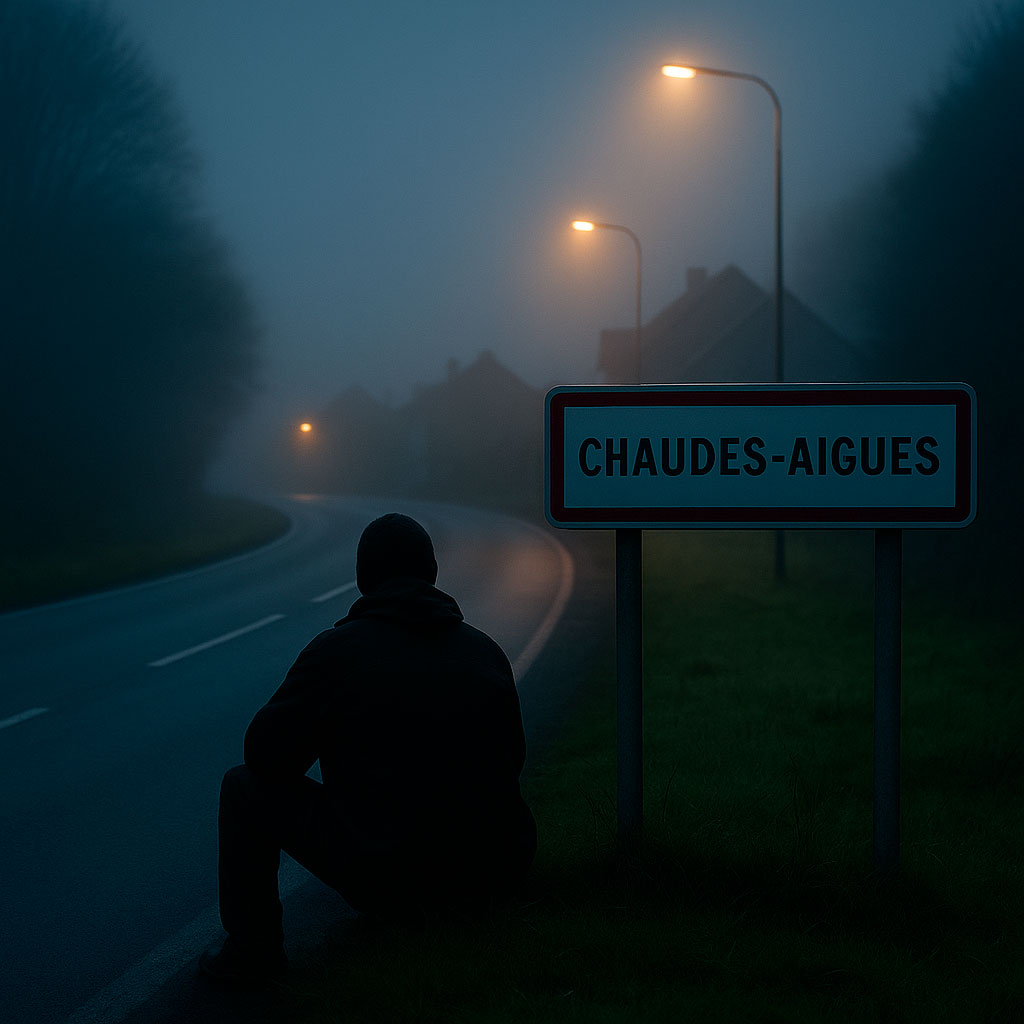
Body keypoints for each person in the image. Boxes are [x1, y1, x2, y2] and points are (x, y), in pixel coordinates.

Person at [200, 513, 537, 984]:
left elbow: (265, 757)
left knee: (242, 788)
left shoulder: (336, 652)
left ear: (362, 579)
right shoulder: (486, 651)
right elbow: (513, 758)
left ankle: (252, 956)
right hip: (495, 872)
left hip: (395, 876)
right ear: (433, 572)